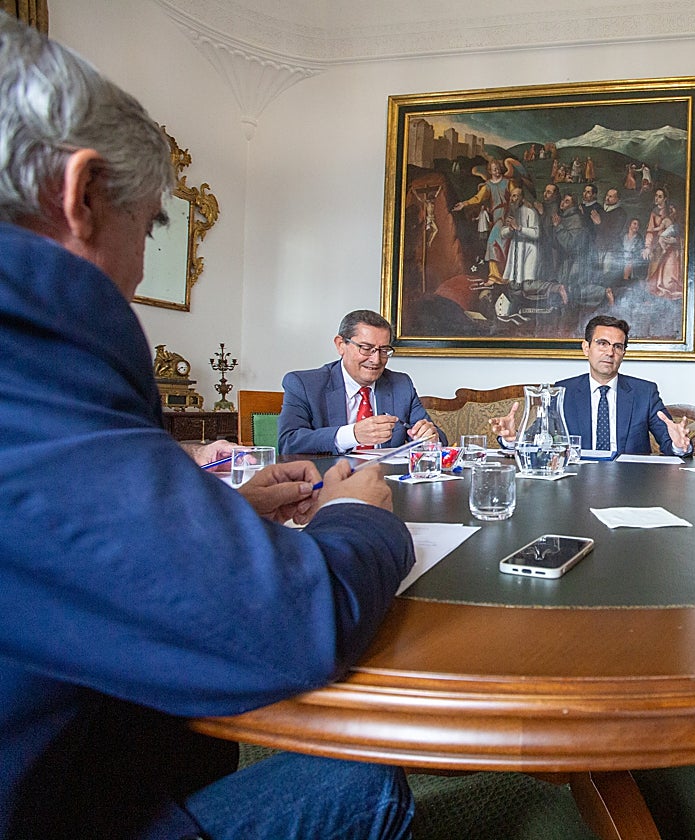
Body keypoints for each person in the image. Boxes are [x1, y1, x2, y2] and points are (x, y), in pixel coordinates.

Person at [0, 15, 416, 840]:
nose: (134, 272)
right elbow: (295, 624)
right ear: (82, 196)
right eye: (153, 225)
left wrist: (209, 511)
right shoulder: (37, 377)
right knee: (369, 782)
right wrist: (359, 514)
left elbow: (64, 547)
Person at [488, 315, 691, 455]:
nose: (609, 352)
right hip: (575, 483)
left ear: (623, 353)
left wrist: (679, 445)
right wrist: (512, 439)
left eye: (617, 347)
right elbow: (533, 440)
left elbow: (670, 442)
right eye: (602, 343)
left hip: (630, 483)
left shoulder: (644, 393)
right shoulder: (562, 392)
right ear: (586, 348)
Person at [278, 309, 445, 455]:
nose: (376, 359)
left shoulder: (401, 385)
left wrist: (430, 437)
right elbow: (288, 443)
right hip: (329, 482)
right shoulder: (304, 384)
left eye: (384, 350)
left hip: (387, 483)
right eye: (366, 348)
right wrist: (353, 435)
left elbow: (440, 439)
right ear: (340, 345)